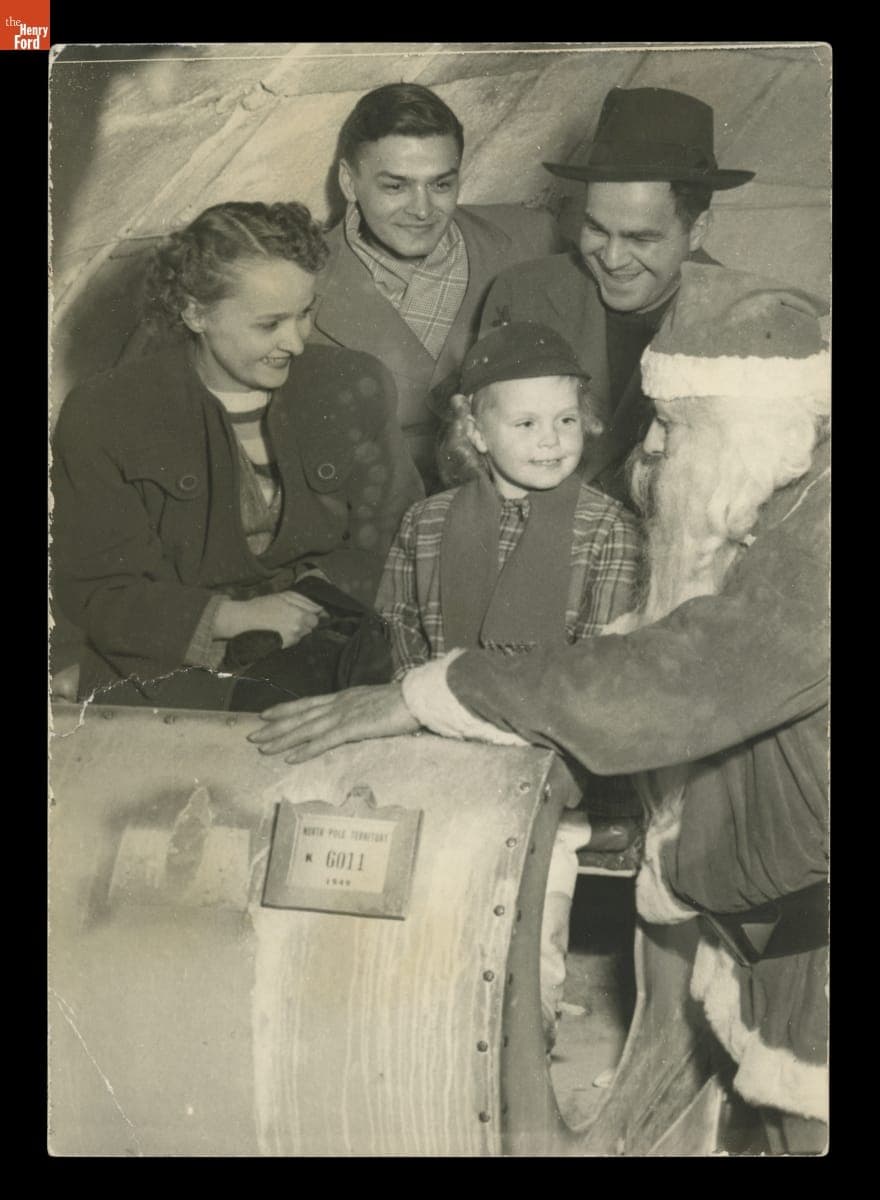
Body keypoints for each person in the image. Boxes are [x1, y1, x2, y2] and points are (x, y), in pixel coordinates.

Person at [249, 263, 830, 1153]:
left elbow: (677, 675)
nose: (655, 453)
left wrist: (432, 692)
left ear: (752, 422)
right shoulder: (789, 505)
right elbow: (679, 632)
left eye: (674, 426)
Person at [374, 321, 643, 1042]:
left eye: (565, 419)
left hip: (560, 759)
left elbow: (599, 665)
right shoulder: (425, 525)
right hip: (443, 746)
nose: (551, 439)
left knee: (536, 876)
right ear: (475, 430)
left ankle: (534, 1013)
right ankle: (432, 1010)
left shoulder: (608, 529)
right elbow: (400, 638)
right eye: (525, 422)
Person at [52, 200, 424, 712]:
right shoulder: (106, 414)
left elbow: (398, 536)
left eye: (305, 313)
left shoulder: (353, 385)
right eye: (269, 324)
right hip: (172, 665)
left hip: (328, 636)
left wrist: (312, 602)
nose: (294, 343)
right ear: (195, 312)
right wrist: (230, 618)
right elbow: (98, 589)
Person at [474, 86, 754, 503]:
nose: (612, 257)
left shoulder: (744, 322)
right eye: (596, 229)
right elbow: (478, 458)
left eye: (641, 237)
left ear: (697, 230)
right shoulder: (520, 292)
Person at [308, 82, 562, 492]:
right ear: (349, 183)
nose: (423, 210)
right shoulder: (303, 280)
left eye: (441, 185)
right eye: (395, 186)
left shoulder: (529, 239)